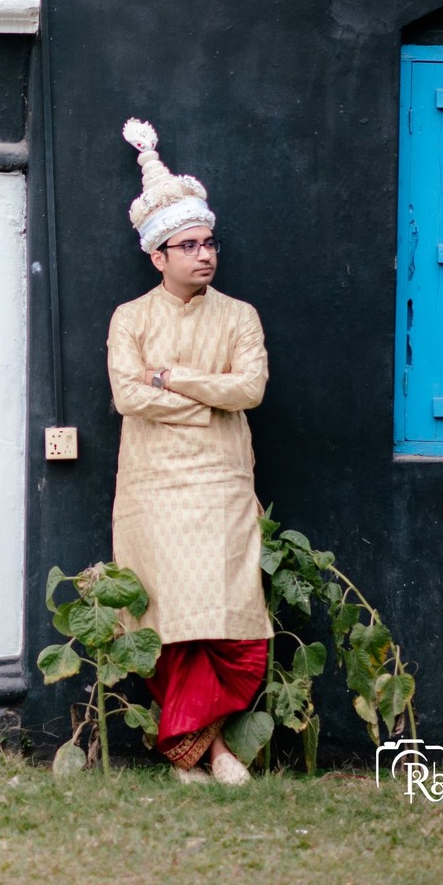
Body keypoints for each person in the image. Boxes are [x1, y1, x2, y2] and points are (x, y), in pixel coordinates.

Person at [106, 119, 270, 786]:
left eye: (209, 243)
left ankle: (202, 750)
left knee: (229, 623)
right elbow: (126, 394)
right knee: (168, 620)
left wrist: (171, 378)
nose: (205, 255)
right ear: (158, 256)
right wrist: (208, 400)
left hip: (221, 484)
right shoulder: (131, 317)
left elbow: (250, 389)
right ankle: (210, 753)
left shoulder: (239, 316)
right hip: (153, 488)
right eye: (189, 245)